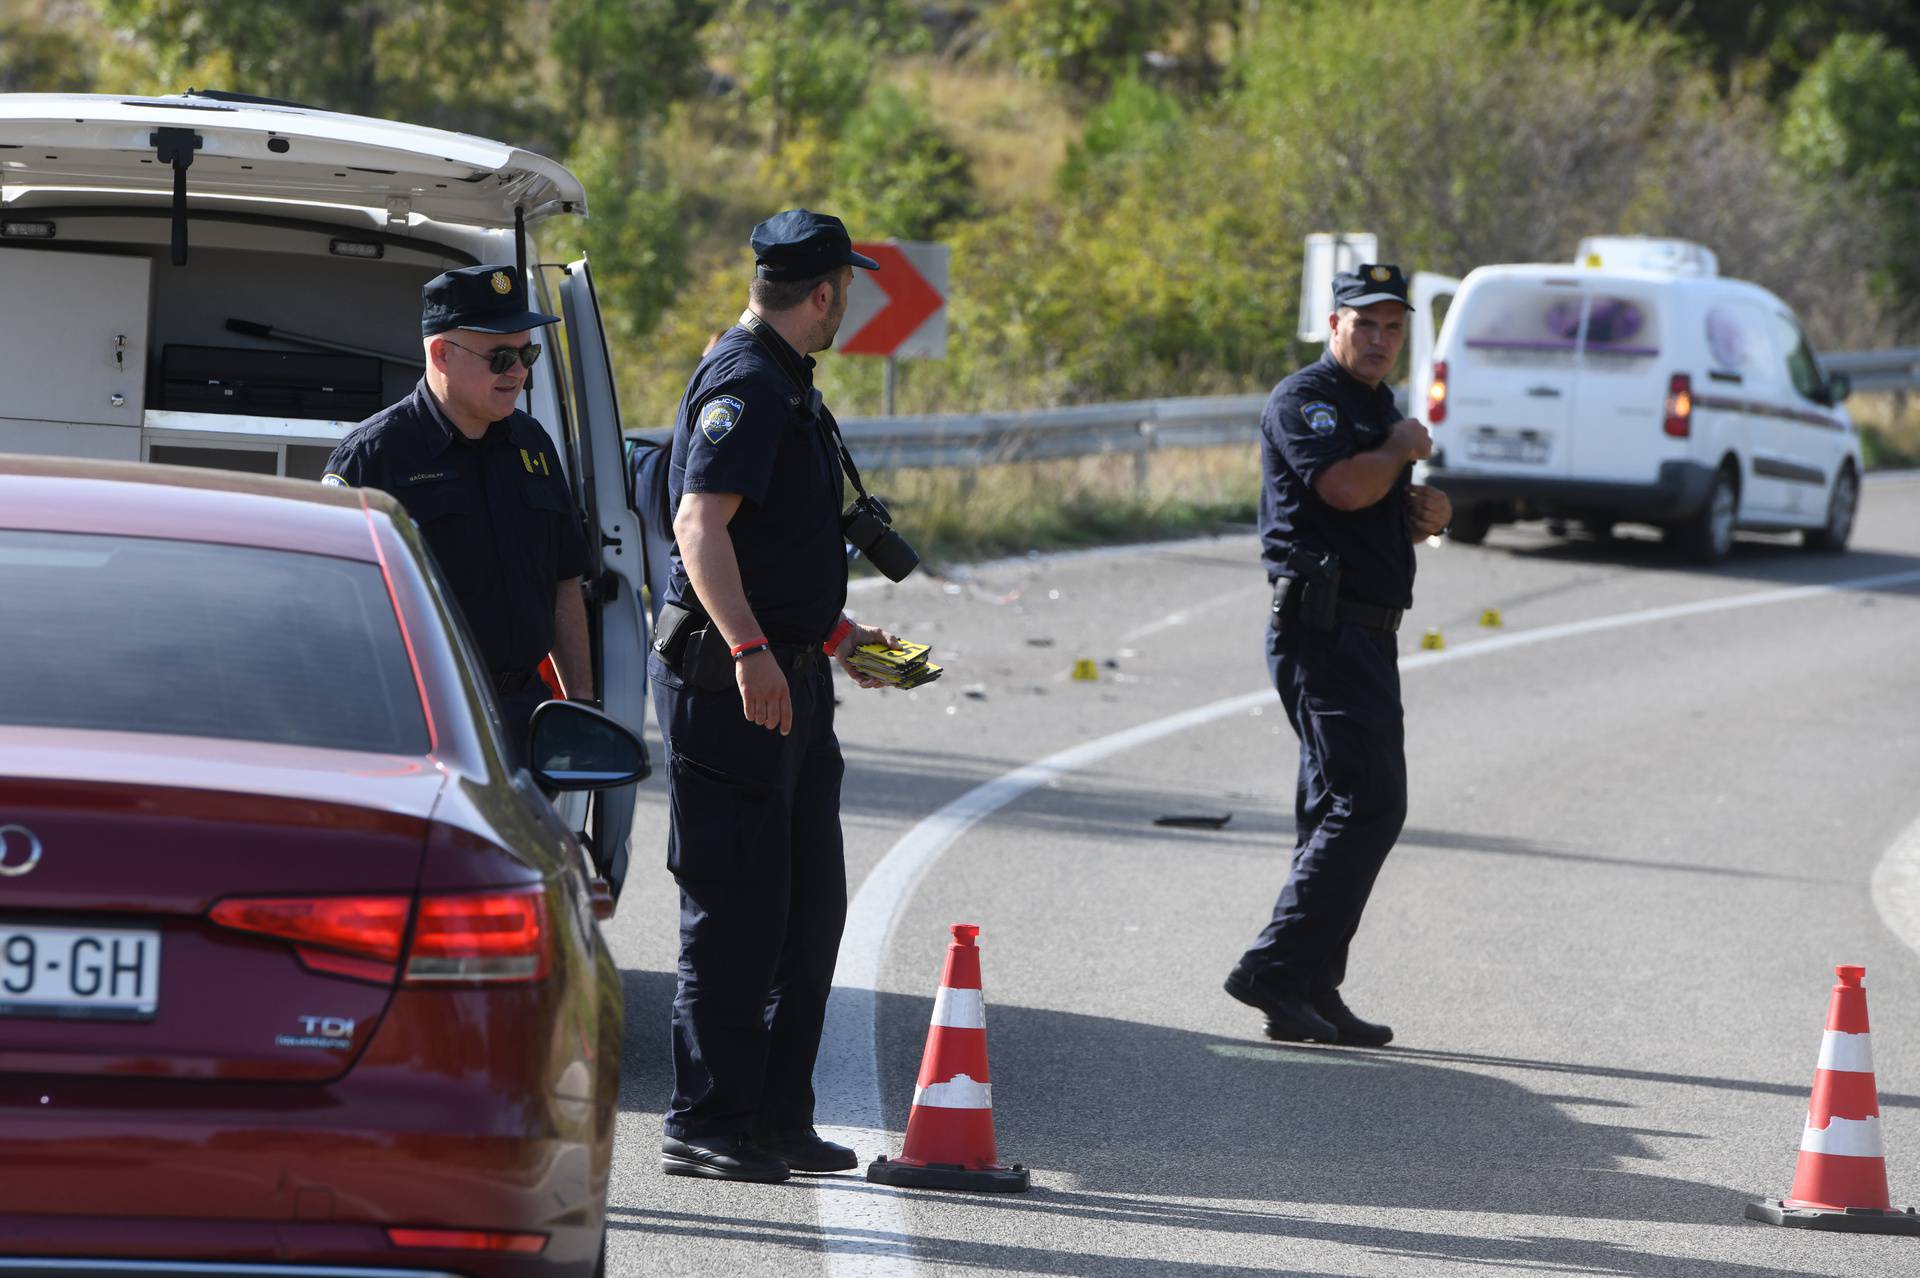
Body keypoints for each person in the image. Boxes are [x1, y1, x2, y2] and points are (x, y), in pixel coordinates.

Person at [651, 209, 903, 1183]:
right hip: (734, 687)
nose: (850, 306)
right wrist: (753, 648)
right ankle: (706, 1120)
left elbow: (775, 550)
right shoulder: (746, 383)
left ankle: (774, 1119)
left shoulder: (792, 385)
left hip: (791, 676)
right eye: (850, 289)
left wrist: (839, 640)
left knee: (805, 911)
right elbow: (697, 525)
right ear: (825, 293)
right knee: (737, 911)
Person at [1224, 264, 1451, 1048]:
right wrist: (1395, 449)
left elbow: (1372, 511)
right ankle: (1273, 970)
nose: (1382, 340)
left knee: (1332, 810)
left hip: (1367, 631)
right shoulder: (1307, 399)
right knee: (1371, 803)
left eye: (1393, 327)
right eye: (1367, 325)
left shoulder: (1376, 408)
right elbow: (1345, 491)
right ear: (1334, 326)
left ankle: (1314, 987)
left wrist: (1425, 515)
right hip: (1323, 633)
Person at [322, 265, 594, 760]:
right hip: (420, 722)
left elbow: (563, 581)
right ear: (442, 354)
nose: (518, 372)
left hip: (523, 717)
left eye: (526, 353)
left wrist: (580, 703)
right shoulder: (373, 457)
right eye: (502, 357)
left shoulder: (531, 444)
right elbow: (333, 609)